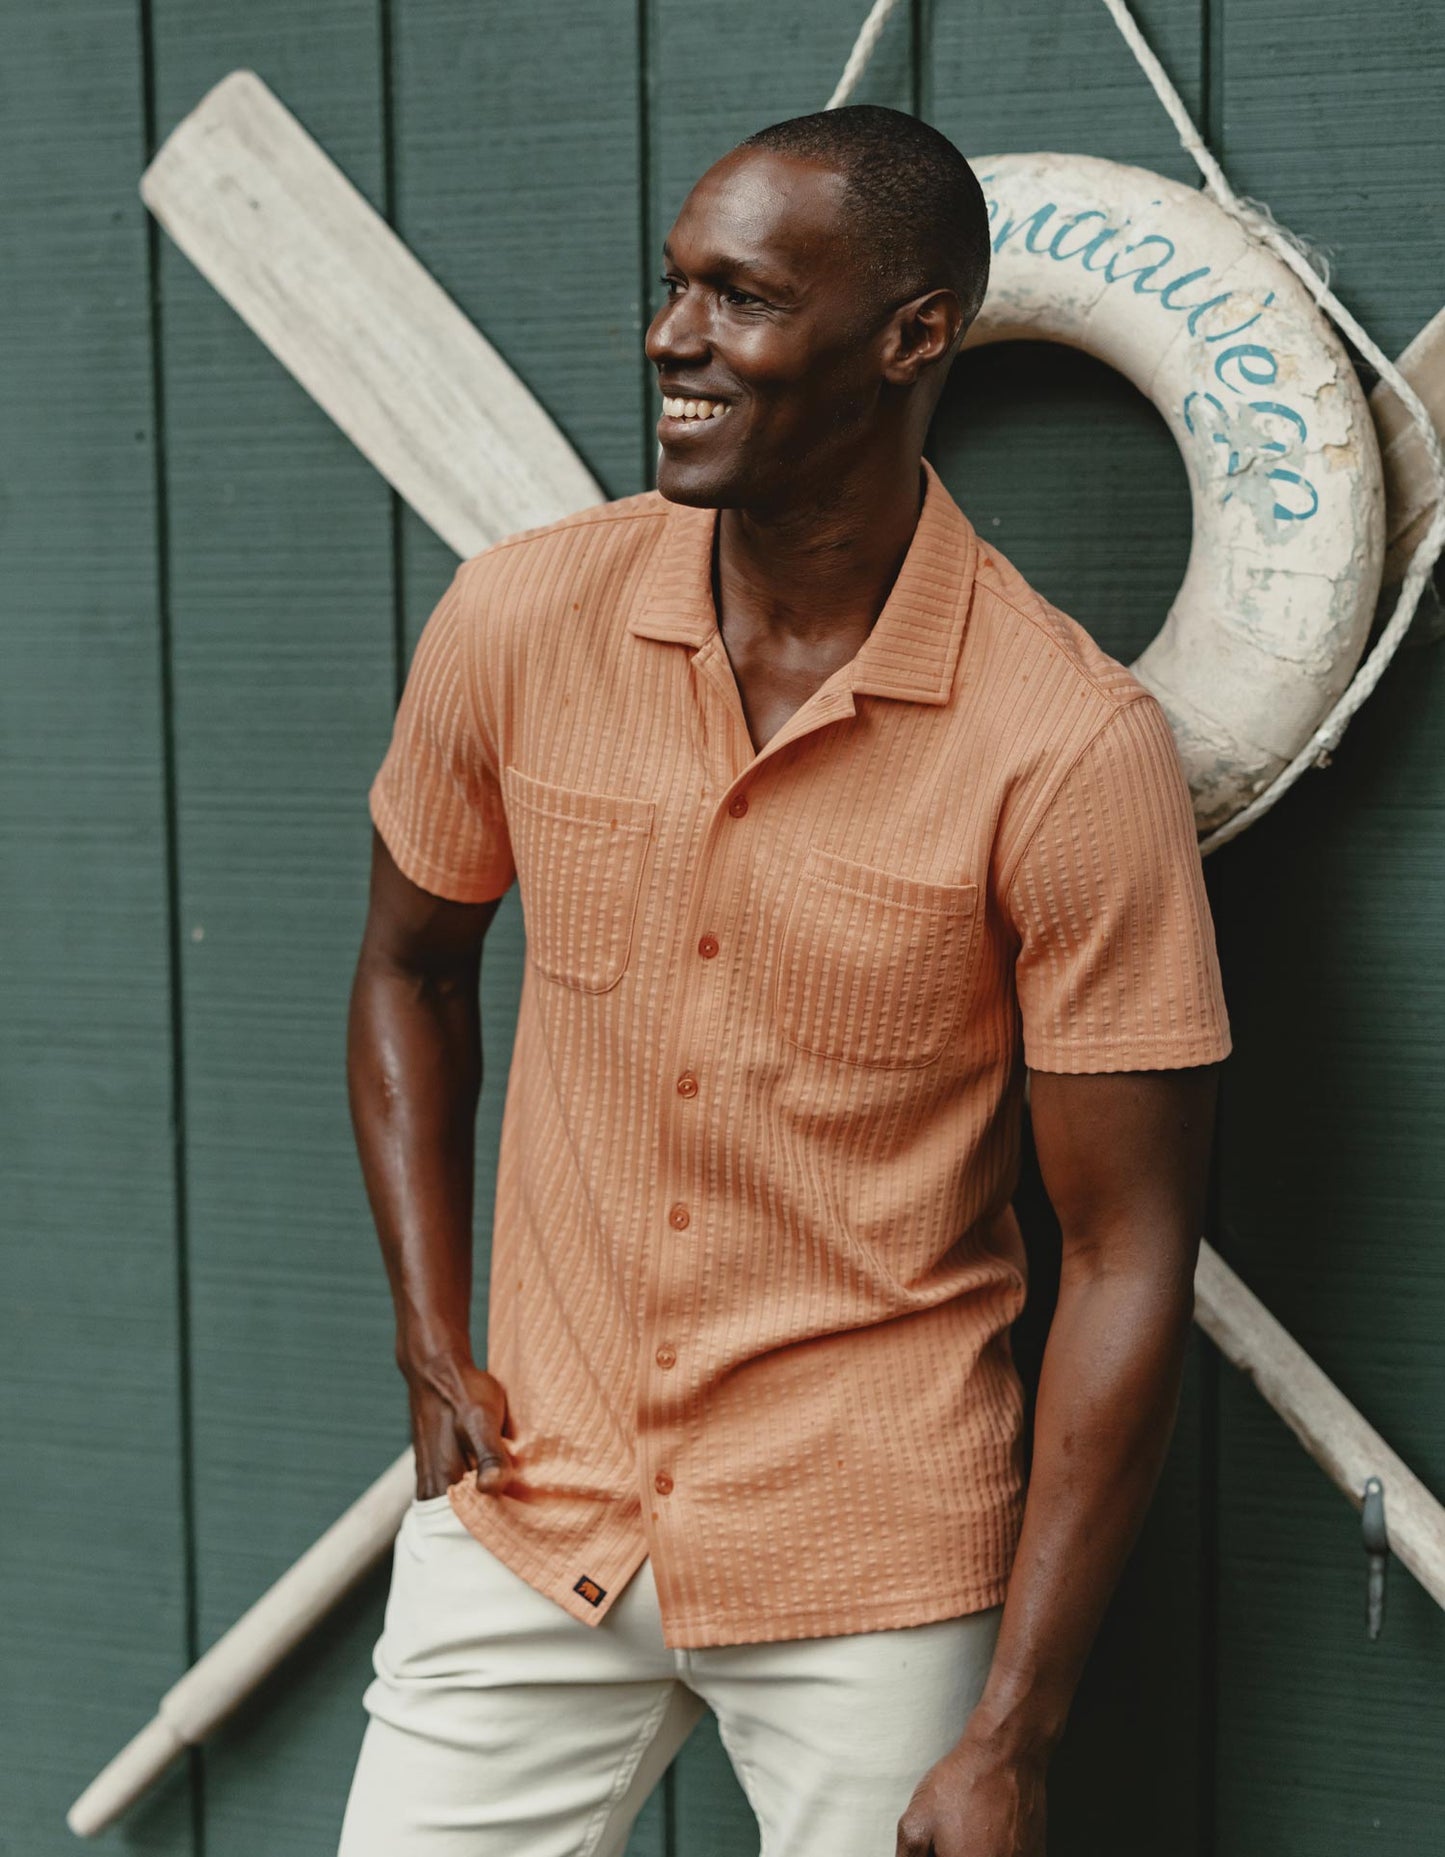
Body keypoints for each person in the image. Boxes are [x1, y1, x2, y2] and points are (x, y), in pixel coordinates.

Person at [338, 103, 1229, 1857]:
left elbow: (1130, 1246)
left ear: (912, 335)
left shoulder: (1063, 745)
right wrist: (430, 1329)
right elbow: (408, 967)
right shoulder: (517, 618)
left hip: (868, 1561)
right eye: (672, 285)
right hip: (532, 1510)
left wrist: (1013, 1731)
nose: (671, 338)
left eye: (740, 298)